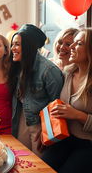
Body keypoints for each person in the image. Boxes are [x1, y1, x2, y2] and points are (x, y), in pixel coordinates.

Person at [8, 24, 64, 156]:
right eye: (12, 44)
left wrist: (45, 130)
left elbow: (57, 104)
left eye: (17, 44)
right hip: (22, 121)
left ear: (28, 46)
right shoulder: (18, 66)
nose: (12, 48)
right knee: (22, 162)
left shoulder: (49, 70)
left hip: (41, 127)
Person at [42, 28, 92, 172]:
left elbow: (71, 113)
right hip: (64, 139)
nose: (71, 47)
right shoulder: (67, 73)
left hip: (87, 144)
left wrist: (77, 115)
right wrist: (47, 133)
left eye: (79, 43)